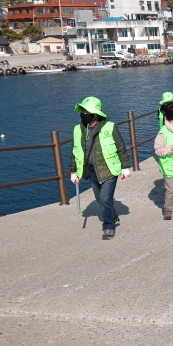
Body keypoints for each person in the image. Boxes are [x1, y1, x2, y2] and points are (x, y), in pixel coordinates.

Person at [69, 96, 131, 240]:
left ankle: (109, 226)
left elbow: (121, 148)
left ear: (95, 114)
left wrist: (125, 167)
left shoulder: (110, 127)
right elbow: (74, 151)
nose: (83, 114)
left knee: (104, 199)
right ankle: (113, 216)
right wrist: (73, 171)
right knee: (100, 198)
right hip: (92, 170)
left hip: (109, 169)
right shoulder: (78, 130)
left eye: (87, 112)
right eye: (82, 112)